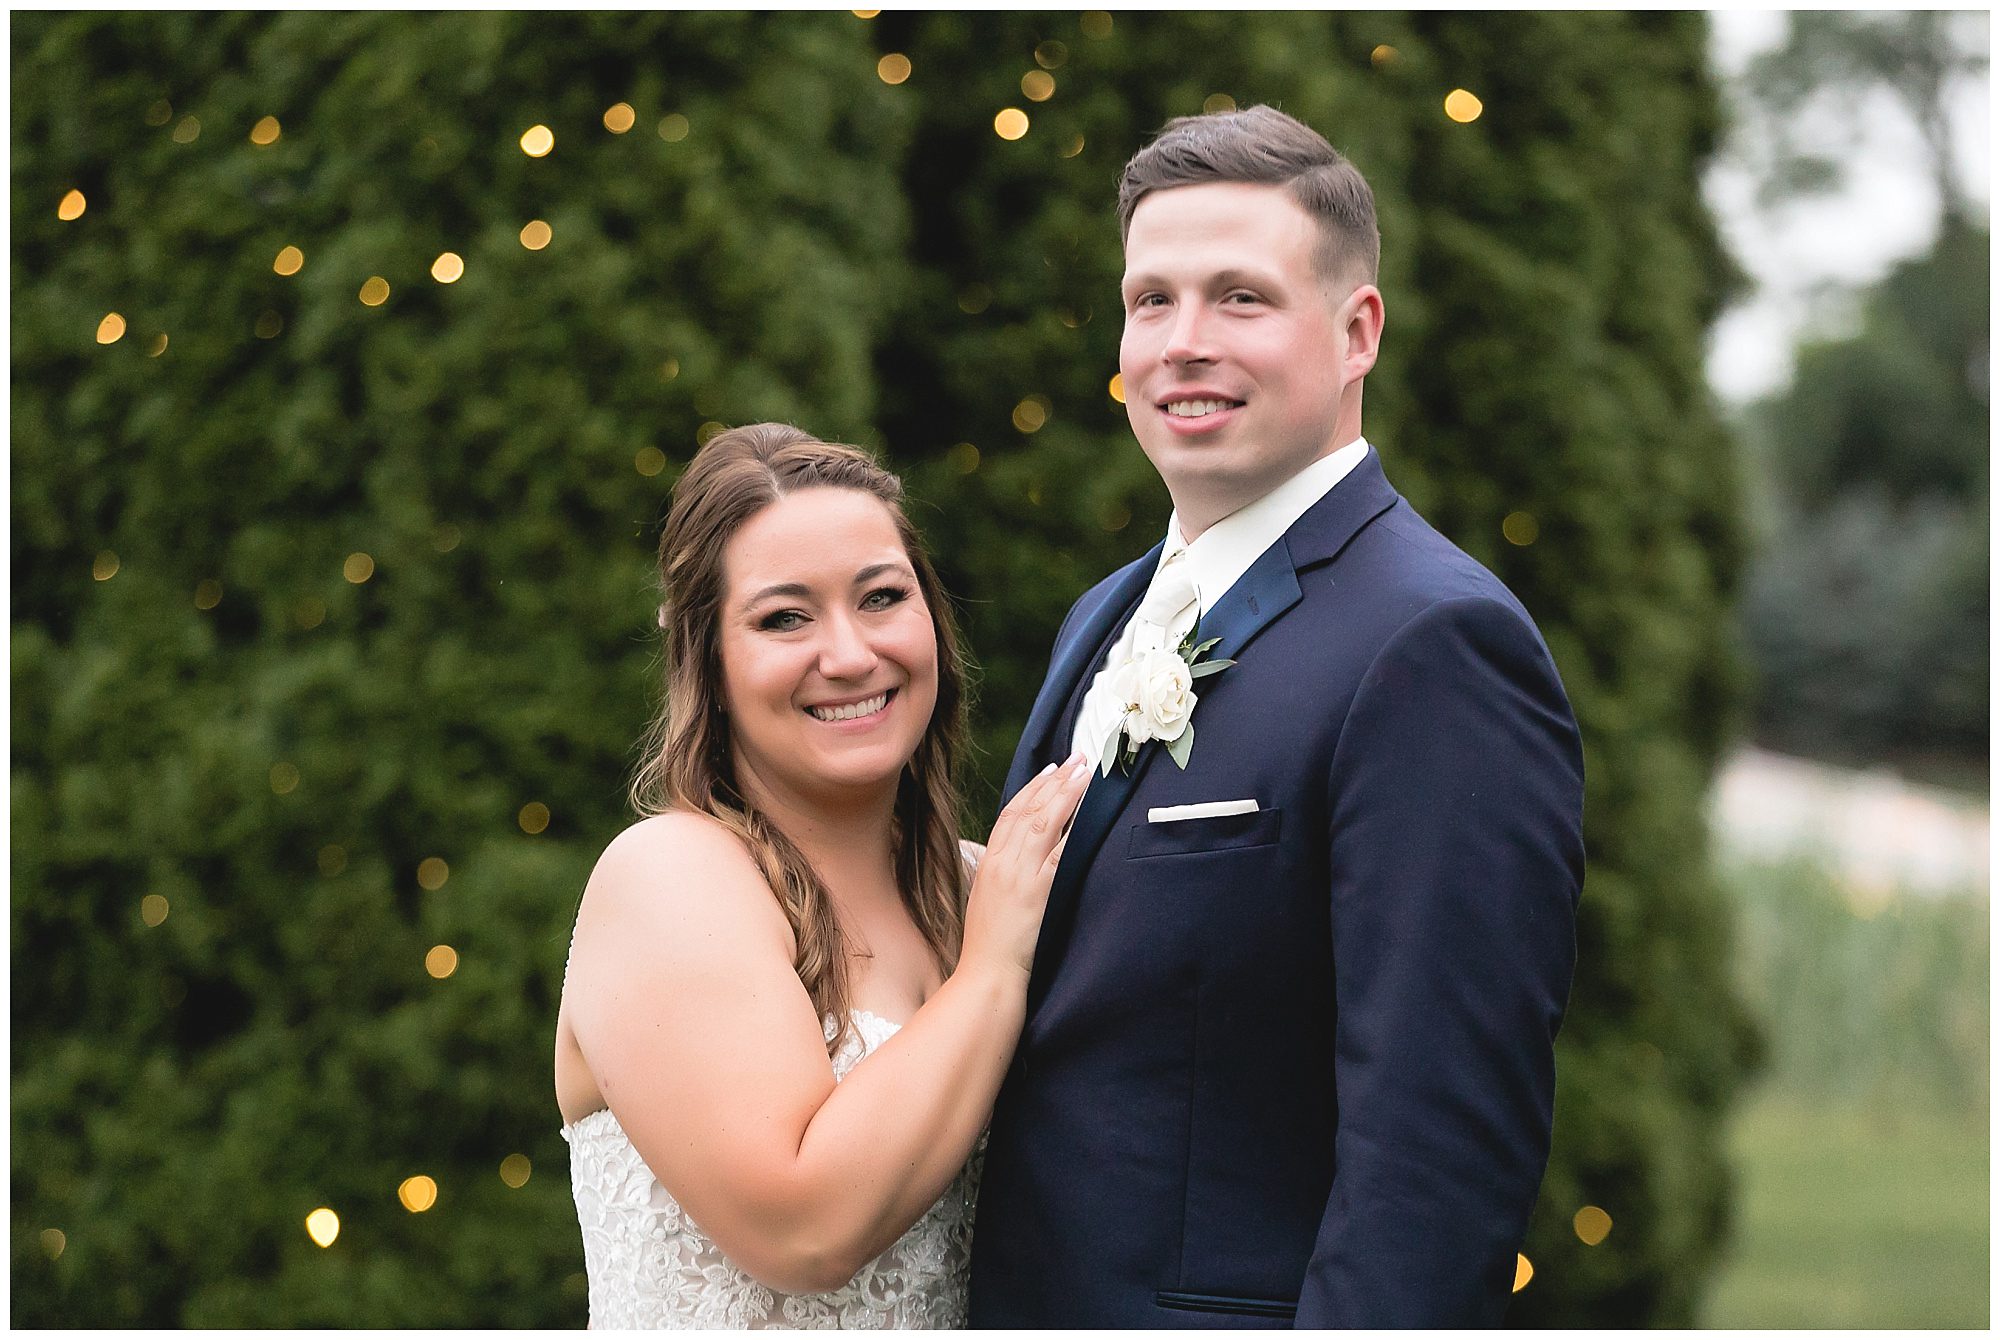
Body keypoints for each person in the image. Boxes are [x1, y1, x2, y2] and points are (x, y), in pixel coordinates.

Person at [967, 106, 1587, 1327]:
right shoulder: (1100, 614)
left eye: (1238, 298)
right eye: (1151, 300)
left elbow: (1436, 1158)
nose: (1180, 344)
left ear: (1356, 332)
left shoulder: (1433, 644)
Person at [555, 423, 1090, 1328]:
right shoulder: (668, 880)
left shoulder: (985, 890)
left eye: (882, 597)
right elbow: (802, 1231)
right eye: (784, 618)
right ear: (708, 660)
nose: (847, 655)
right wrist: (993, 969)